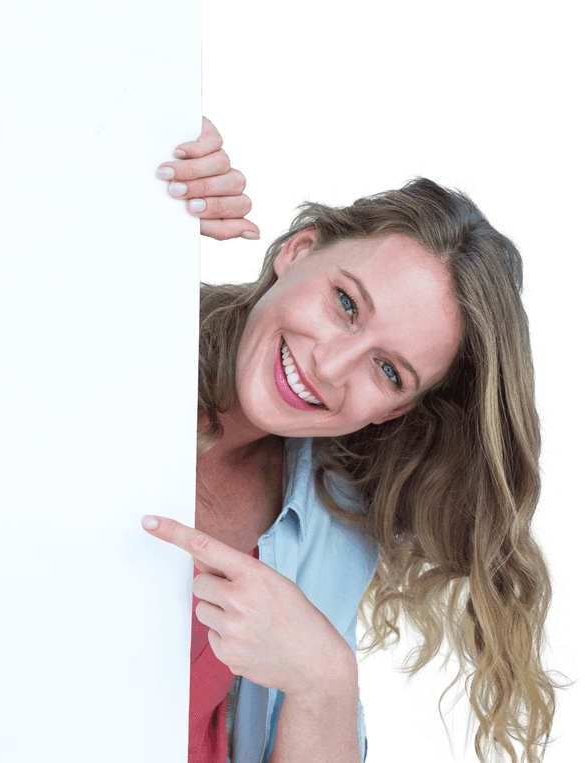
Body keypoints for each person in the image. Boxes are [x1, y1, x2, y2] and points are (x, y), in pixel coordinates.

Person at [141, 118, 578, 763]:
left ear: (394, 411)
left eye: (387, 370)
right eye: (346, 304)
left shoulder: (333, 534)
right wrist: (140, 159)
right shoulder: (124, 353)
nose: (331, 366)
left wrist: (325, 679)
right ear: (297, 252)